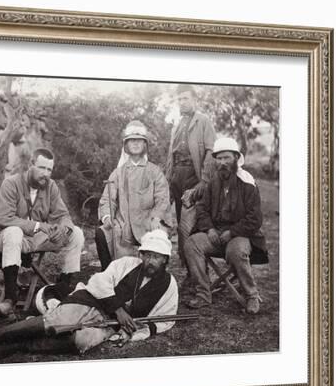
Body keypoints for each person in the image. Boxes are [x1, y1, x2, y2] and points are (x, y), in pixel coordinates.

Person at [0, 230, 178, 364]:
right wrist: (119, 309)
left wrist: (134, 332)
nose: (149, 261)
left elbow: (165, 319)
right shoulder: (127, 264)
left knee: (80, 341)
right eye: (147, 255)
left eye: (156, 257)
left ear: (165, 260)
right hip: (90, 301)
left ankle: (12, 347)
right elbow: (99, 282)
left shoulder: (169, 286)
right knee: (55, 322)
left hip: (110, 325)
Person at [0, 148, 84, 314]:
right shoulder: (11, 183)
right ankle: (10, 299)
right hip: (9, 238)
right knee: (13, 231)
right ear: (31, 165)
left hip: (36, 239)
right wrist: (38, 225)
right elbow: (4, 218)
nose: (46, 174)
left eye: (49, 169)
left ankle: (63, 288)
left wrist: (63, 229)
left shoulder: (51, 186)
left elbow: (63, 215)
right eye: (42, 168)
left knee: (76, 233)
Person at [183, 137, 268, 313]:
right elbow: (202, 209)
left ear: (236, 158)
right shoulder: (213, 182)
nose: (222, 163)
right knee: (192, 244)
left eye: (226, 158)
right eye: (219, 158)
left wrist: (232, 232)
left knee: (235, 251)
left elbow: (255, 218)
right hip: (215, 234)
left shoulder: (247, 183)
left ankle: (251, 295)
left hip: (241, 236)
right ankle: (203, 295)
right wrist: (210, 229)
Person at [96, 120, 172, 270]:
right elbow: (107, 199)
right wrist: (107, 217)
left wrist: (157, 216)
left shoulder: (154, 171)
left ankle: (154, 277)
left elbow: (162, 198)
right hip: (123, 222)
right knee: (102, 233)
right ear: (126, 146)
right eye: (132, 141)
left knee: (159, 236)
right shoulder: (118, 173)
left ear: (145, 145)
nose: (136, 144)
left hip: (149, 221)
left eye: (139, 141)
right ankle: (109, 275)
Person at [165, 84, 217, 267]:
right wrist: (168, 178)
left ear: (195, 99)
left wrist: (204, 179)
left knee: (190, 226)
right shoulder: (177, 124)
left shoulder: (203, 121)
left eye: (186, 98)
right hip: (177, 176)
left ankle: (196, 272)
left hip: (194, 177)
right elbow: (171, 155)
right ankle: (187, 267)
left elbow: (211, 151)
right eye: (179, 99)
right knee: (180, 223)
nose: (182, 102)